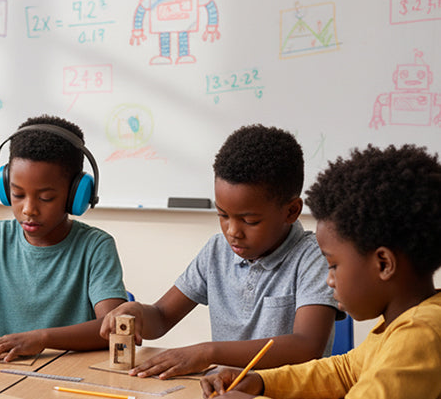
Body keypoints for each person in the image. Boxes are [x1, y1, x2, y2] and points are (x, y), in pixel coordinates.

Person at [189, 144, 441, 399]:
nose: (329, 279)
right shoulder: (401, 325)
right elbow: (342, 371)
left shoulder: (422, 333)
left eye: (333, 265)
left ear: (383, 263)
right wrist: (261, 382)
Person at [100, 124, 338, 378]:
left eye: (250, 221)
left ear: (291, 211)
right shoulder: (216, 252)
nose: (232, 231)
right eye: (222, 215)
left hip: (290, 398)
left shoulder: (314, 257)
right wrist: (138, 312)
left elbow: (307, 345)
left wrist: (208, 352)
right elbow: (161, 317)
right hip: (227, 393)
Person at [0, 115, 128, 362]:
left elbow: (112, 328)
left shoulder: (95, 247)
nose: (28, 209)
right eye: (17, 194)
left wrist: (42, 339)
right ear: (5, 189)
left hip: (70, 373)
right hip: (1, 371)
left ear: (75, 195)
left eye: (46, 198)